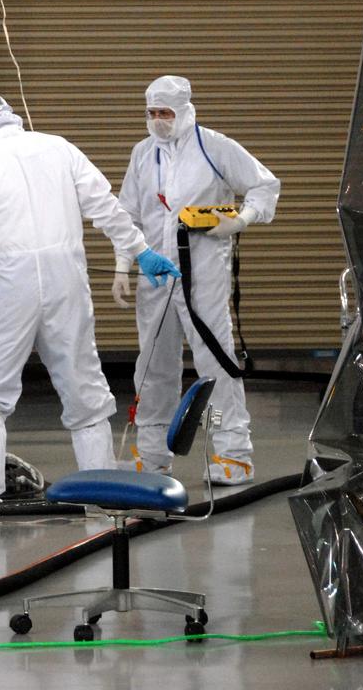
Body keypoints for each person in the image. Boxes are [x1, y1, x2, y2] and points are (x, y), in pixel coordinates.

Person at [0, 95, 179, 524]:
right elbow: (106, 209)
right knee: (85, 392)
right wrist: (142, 252)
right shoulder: (60, 148)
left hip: (8, 286)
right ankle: (102, 497)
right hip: (66, 281)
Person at [112, 75, 280, 484]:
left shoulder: (216, 147)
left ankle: (232, 453)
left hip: (202, 275)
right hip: (156, 278)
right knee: (152, 367)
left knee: (215, 363)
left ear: (185, 111)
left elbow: (264, 186)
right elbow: (127, 213)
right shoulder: (142, 153)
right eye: (151, 113)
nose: (158, 121)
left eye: (165, 113)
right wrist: (122, 263)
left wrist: (239, 220)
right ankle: (151, 456)